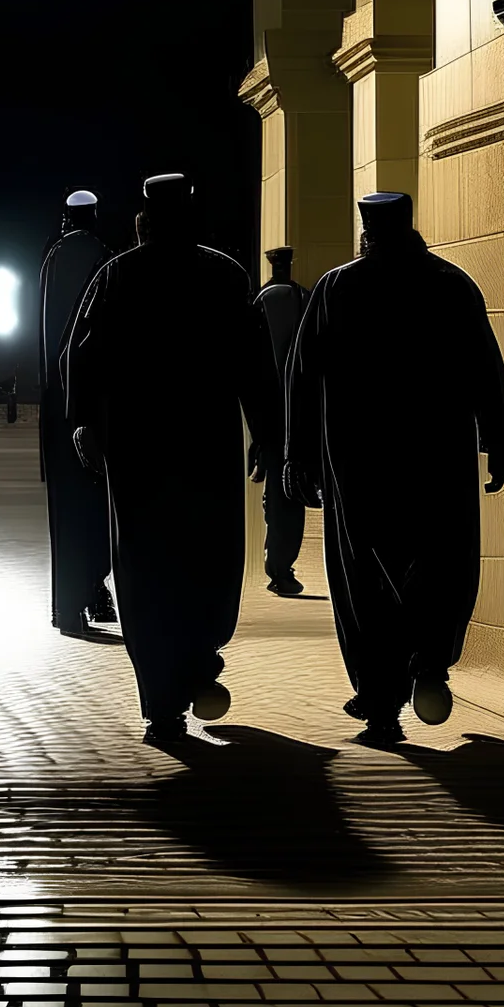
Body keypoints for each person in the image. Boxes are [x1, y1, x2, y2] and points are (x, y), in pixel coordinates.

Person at [281, 190, 504, 747]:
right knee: (440, 562)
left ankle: (381, 701)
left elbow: (303, 378)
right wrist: (499, 441)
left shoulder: (338, 288)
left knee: (365, 578)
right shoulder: (450, 284)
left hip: (359, 466)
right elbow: (486, 367)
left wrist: (298, 457)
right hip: (436, 460)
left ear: (367, 233)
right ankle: (430, 663)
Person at [64, 173, 278, 745]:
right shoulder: (223, 275)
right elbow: (255, 365)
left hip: (138, 453)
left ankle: (162, 699)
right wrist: (267, 432)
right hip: (206, 449)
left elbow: (81, 357)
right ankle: (200, 659)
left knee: (143, 568)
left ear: (144, 221)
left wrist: (83, 422)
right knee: (207, 559)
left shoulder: (117, 276)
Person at [39, 189, 115, 634]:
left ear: (67, 218)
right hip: (95, 403)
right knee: (97, 506)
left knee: (63, 510)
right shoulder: (106, 258)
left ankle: (66, 604)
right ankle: (90, 588)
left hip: (56, 404)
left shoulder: (52, 259)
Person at [254, 246, 311, 597]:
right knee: (290, 496)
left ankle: (276, 562)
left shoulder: (258, 300)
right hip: (296, 412)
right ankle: (281, 565)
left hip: (265, 410)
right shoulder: (303, 298)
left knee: (275, 494)